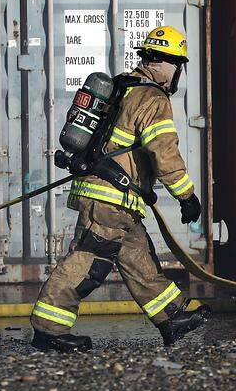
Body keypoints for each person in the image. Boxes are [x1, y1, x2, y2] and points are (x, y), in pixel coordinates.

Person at [31, 26, 208, 352]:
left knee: (137, 256)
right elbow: (164, 151)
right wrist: (186, 196)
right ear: (168, 64)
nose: (177, 74)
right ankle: (48, 329)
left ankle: (171, 318)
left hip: (111, 195)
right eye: (177, 65)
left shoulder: (122, 87)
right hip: (109, 198)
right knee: (89, 259)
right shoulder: (153, 98)